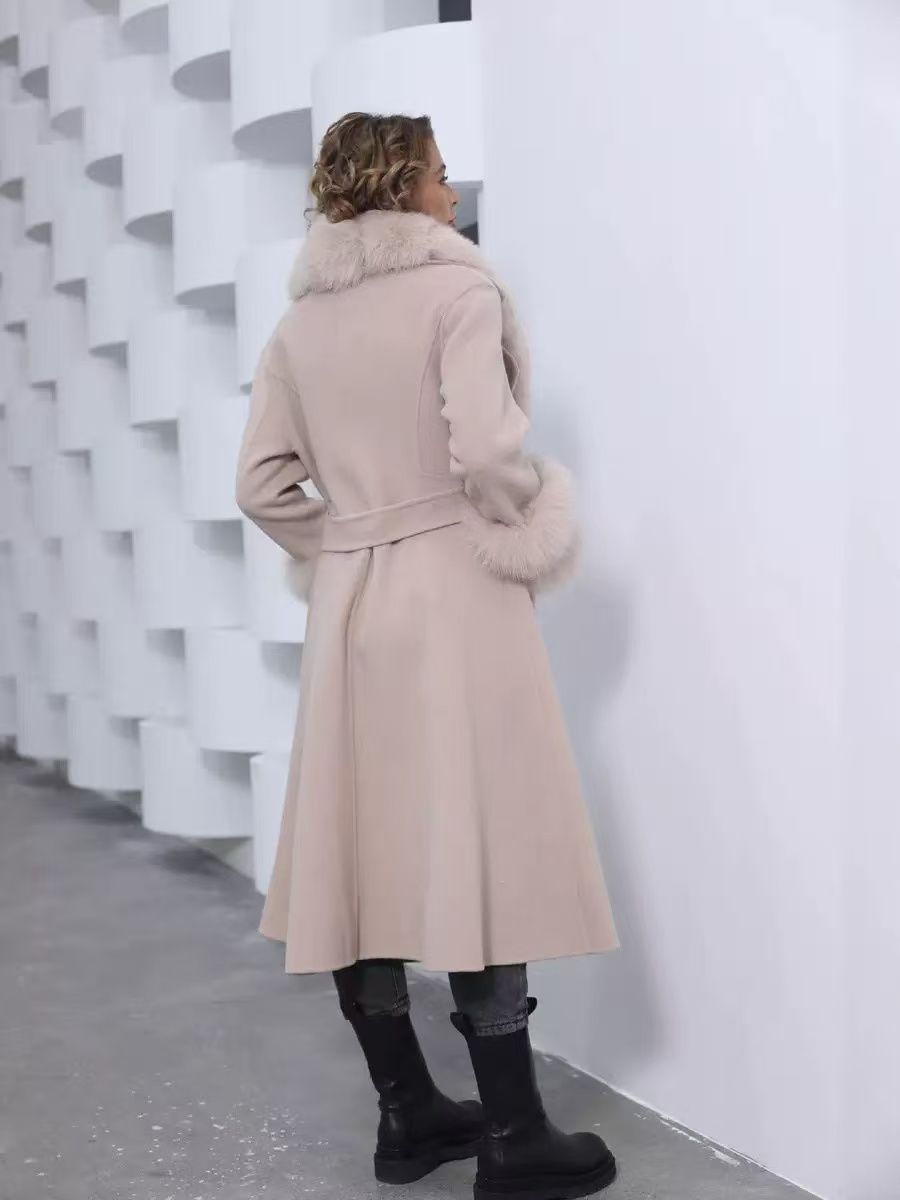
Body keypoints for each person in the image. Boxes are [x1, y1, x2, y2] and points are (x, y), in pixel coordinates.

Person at [235, 111, 621, 1200]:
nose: (455, 194)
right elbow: (487, 451)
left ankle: (406, 1116)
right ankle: (513, 1136)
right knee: (473, 846)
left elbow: (259, 485)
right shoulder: (459, 292)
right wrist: (517, 518)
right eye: (443, 176)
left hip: (352, 608)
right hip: (452, 596)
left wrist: (350, 541)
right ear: (406, 184)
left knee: (357, 857)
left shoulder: (299, 326)